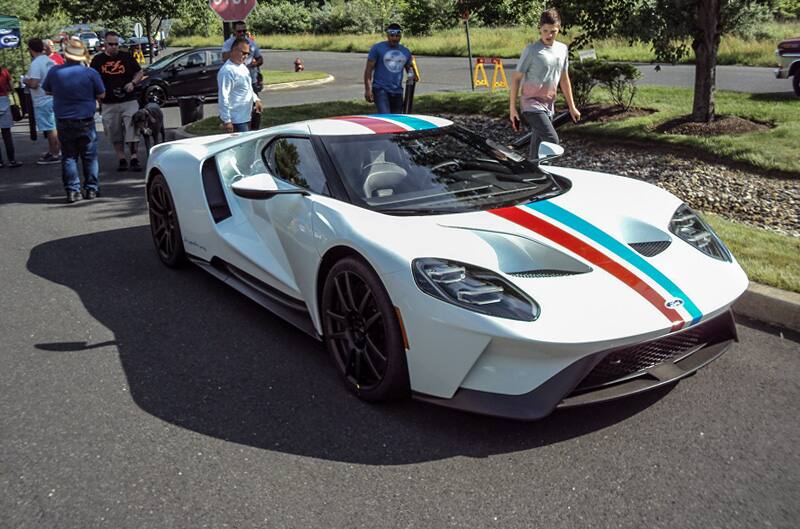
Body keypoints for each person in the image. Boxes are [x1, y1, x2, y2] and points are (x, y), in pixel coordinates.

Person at [508, 8, 581, 158]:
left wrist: (572, 107)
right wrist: (512, 109)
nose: (549, 35)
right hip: (531, 104)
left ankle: (533, 175)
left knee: (537, 147)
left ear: (559, 29)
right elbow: (516, 79)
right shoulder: (532, 50)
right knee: (552, 141)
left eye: (553, 31)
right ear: (539, 29)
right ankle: (543, 175)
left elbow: (564, 78)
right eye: (545, 30)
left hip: (548, 105)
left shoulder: (562, 49)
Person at [43, 38, 105, 203]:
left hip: (63, 120)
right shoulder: (90, 73)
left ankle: (72, 191)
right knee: (89, 156)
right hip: (85, 119)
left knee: (69, 156)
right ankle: (91, 189)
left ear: (66, 54)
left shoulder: (55, 72)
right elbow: (102, 94)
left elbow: (47, 90)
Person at [90, 31, 143, 171]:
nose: (114, 47)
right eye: (111, 44)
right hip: (109, 103)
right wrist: (98, 98)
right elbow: (93, 81)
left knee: (132, 128)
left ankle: (134, 157)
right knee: (114, 132)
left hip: (128, 100)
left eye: (116, 44)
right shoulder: (97, 61)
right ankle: (121, 158)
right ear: (104, 44)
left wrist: (133, 83)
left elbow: (139, 72)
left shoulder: (126, 57)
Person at [24, 38, 61, 165]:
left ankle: (55, 153)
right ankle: (53, 150)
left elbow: (34, 83)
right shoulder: (49, 61)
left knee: (50, 127)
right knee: (53, 126)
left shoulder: (36, 63)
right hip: (53, 97)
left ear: (31, 49)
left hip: (42, 99)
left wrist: (24, 80)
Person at [363, 23, 415, 114]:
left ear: (400, 36)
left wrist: (413, 74)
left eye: (397, 36)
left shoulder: (406, 52)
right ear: (387, 35)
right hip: (380, 89)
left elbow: (410, 72)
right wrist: (368, 89)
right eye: (392, 35)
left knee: (397, 120)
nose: (394, 38)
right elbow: (368, 70)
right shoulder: (377, 48)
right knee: (386, 116)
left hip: (397, 91)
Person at [217, 37, 262, 133]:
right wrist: (227, 121)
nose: (246, 56)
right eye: (243, 53)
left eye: (248, 53)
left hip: (246, 117)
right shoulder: (227, 71)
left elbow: (248, 87)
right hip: (236, 121)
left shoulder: (242, 67)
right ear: (233, 51)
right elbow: (223, 97)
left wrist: (256, 99)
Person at [222, 21, 263, 89]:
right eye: (239, 31)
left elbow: (260, 59)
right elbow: (224, 58)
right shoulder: (228, 43)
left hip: (251, 80)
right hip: (236, 81)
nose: (242, 33)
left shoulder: (251, 43)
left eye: (244, 31)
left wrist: (255, 64)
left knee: (254, 99)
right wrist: (237, 49)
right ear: (234, 31)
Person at [0, 65, 22, 168]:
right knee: (6, 133)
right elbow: (12, 88)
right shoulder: (4, 72)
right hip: (3, 100)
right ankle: (12, 160)